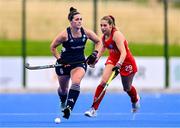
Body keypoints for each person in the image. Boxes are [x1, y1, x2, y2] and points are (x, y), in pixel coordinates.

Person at [50, 7, 101, 119]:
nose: (79, 21)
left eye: (81, 19)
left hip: (79, 63)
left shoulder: (86, 32)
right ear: (71, 21)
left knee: (76, 82)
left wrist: (95, 53)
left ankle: (68, 108)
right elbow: (53, 47)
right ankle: (63, 100)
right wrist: (59, 59)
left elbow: (98, 41)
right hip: (65, 64)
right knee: (63, 90)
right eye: (77, 19)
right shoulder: (64, 35)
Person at [84, 15, 140, 117]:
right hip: (113, 60)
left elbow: (124, 53)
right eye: (101, 25)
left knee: (127, 88)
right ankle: (93, 109)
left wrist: (119, 64)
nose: (102, 28)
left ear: (111, 26)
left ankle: (135, 99)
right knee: (103, 83)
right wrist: (95, 60)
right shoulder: (104, 37)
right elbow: (102, 49)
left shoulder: (116, 35)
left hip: (126, 62)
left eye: (105, 25)